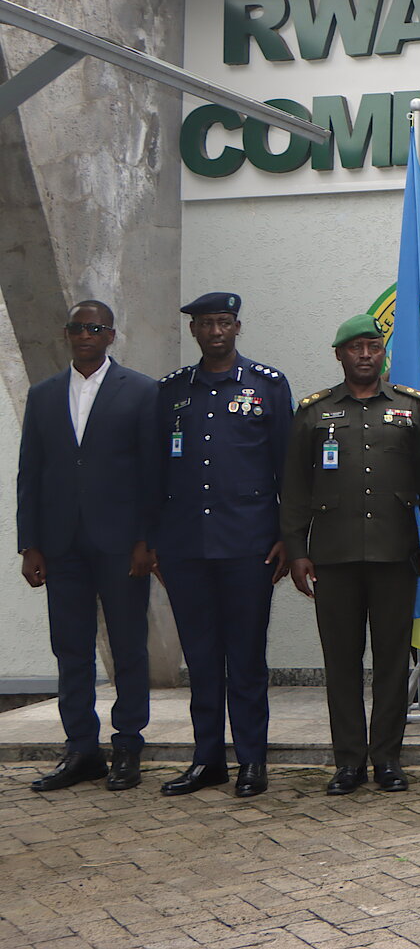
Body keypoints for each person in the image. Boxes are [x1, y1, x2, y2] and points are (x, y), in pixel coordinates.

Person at [280, 315, 420, 795]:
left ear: (383, 352)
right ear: (340, 355)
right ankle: (348, 761)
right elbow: (295, 487)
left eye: (373, 346)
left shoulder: (411, 408)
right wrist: (296, 550)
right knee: (341, 663)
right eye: (355, 348)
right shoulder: (314, 412)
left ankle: (387, 758)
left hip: (395, 555)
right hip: (334, 556)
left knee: (391, 662)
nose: (365, 355)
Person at [15, 300, 160, 792]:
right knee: (70, 648)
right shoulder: (43, 395)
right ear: (67, 333)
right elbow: (30, 474)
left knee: (128, 647)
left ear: (111, 336)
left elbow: (153, 473)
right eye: (77, 328)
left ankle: (128, 745)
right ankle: (81, 749)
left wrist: (147, 539)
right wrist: (30, 544)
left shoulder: (141, 391)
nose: (85, 335)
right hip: (61, 545)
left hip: (122, 545)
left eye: (95, 328)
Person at [155, 291, 292, 798]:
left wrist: (288, 537)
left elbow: (288, 468)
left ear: (237, 327)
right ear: (194, 330)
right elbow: (154, 471)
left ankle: (252, 760)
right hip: (186, 547)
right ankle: (207, 759)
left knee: (247, 658)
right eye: (206, 323)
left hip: (249, 545)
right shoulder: (171, 390)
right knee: (201, 657)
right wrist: (154, 542)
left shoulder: (268, 385)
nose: (216, 331)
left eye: (224, 322)